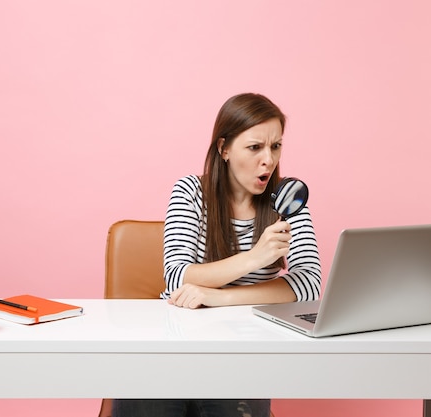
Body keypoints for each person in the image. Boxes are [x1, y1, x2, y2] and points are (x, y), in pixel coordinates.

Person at [111, 93, 321, 417]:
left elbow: (308, 287)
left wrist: (217, 297)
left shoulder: (289, 203)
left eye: (276, 146)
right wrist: (254, 258)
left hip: (240, 353)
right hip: (171, 347)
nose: (268, 159)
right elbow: (178, 274)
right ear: (224, 149)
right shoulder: (191, 192)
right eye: (255, 147)